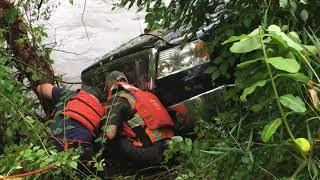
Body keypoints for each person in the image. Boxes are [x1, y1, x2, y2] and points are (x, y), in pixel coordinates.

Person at [103, 71, 175, 169]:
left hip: (154, 153)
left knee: (117, 140)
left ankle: (120, 171)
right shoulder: (141, 93)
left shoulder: (116, 99)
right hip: (172, 145)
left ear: (108, 87)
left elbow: (110, 134)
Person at [36, 83, 105, 170]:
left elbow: (41, 88)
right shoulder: (102, 111)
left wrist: (39, 86)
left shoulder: (74, 95)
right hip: (81, 144)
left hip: (54, 138)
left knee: (50, 168)